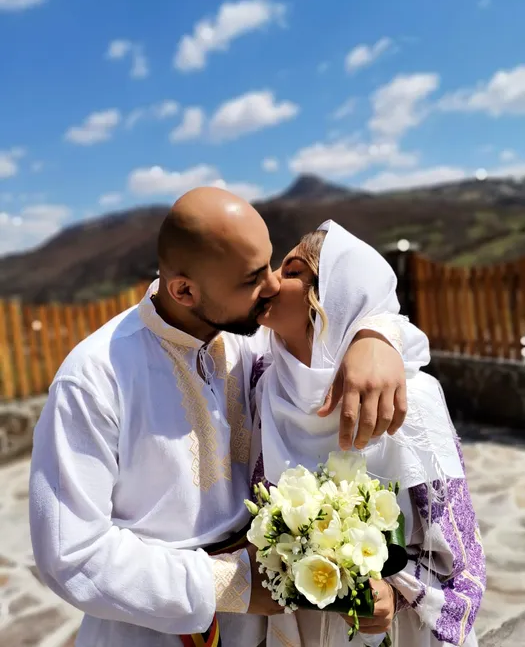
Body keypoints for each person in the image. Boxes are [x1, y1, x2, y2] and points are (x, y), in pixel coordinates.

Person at [29, 189, 413, 647]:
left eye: (270, 264)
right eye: (253, 279)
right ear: (184, 291)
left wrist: (375, 337)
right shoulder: (93, 378)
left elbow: (358, 297)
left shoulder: (250, 339)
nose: (273, 286)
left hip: (263, 631)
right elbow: (71, 555)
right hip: (146, 632)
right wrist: (237, 584)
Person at [252, 221, 486, 647]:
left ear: (333, 293)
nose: (270, 281)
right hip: (300, 628)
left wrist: (395, 594)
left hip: (397, 630)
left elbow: (459, 555)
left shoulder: (411, 396)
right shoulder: (263, 387)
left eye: (292, 271)